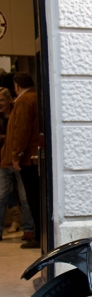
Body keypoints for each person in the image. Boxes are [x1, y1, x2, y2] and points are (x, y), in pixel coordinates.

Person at [2, 73, 40, 249]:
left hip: (28, 158)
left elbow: (22, 130)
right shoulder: (34, 98)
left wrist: (16, 155)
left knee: (31, 197)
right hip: (32, 156)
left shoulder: (24, 101)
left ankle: (37, 234)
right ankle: (37, 232)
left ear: (16, 86)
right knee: (30, 197)